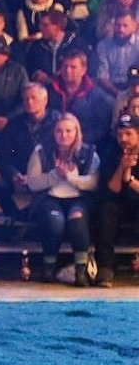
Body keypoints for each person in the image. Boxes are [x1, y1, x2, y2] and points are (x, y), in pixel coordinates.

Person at [26, 113, 100, 284]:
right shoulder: (41, 151)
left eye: (68, 131)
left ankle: (81, 271)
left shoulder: (89, 153)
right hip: (50, 197)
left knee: (77, 219)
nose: (64, 135)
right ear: (54, 132)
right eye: (59, 131)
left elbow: (94, 183)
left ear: (76, 132)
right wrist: (55, 175)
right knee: (55, 221)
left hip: (78, 198)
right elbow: (33, 183)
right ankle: (48, 268)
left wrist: (70, 177)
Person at [0, 81, 57, 219]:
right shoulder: (14, 124)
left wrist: (36, 177)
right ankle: (18, 218)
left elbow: (62, 156)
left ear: (45, 100)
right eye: (26, 99)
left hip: (48, 175)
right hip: (21, 174)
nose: (29, 102)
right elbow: (3, 158)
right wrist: (14, 175)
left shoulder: (58, 122)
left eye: (33, 98)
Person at [94, 113, 139, 287]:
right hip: (118, 201)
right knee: (106, 210)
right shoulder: (110, 152)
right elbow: (112, 188)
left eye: (128, 134)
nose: (123, 139)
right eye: (120, 134)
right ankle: (105, 269)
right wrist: (122, 167)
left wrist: (129, 180)